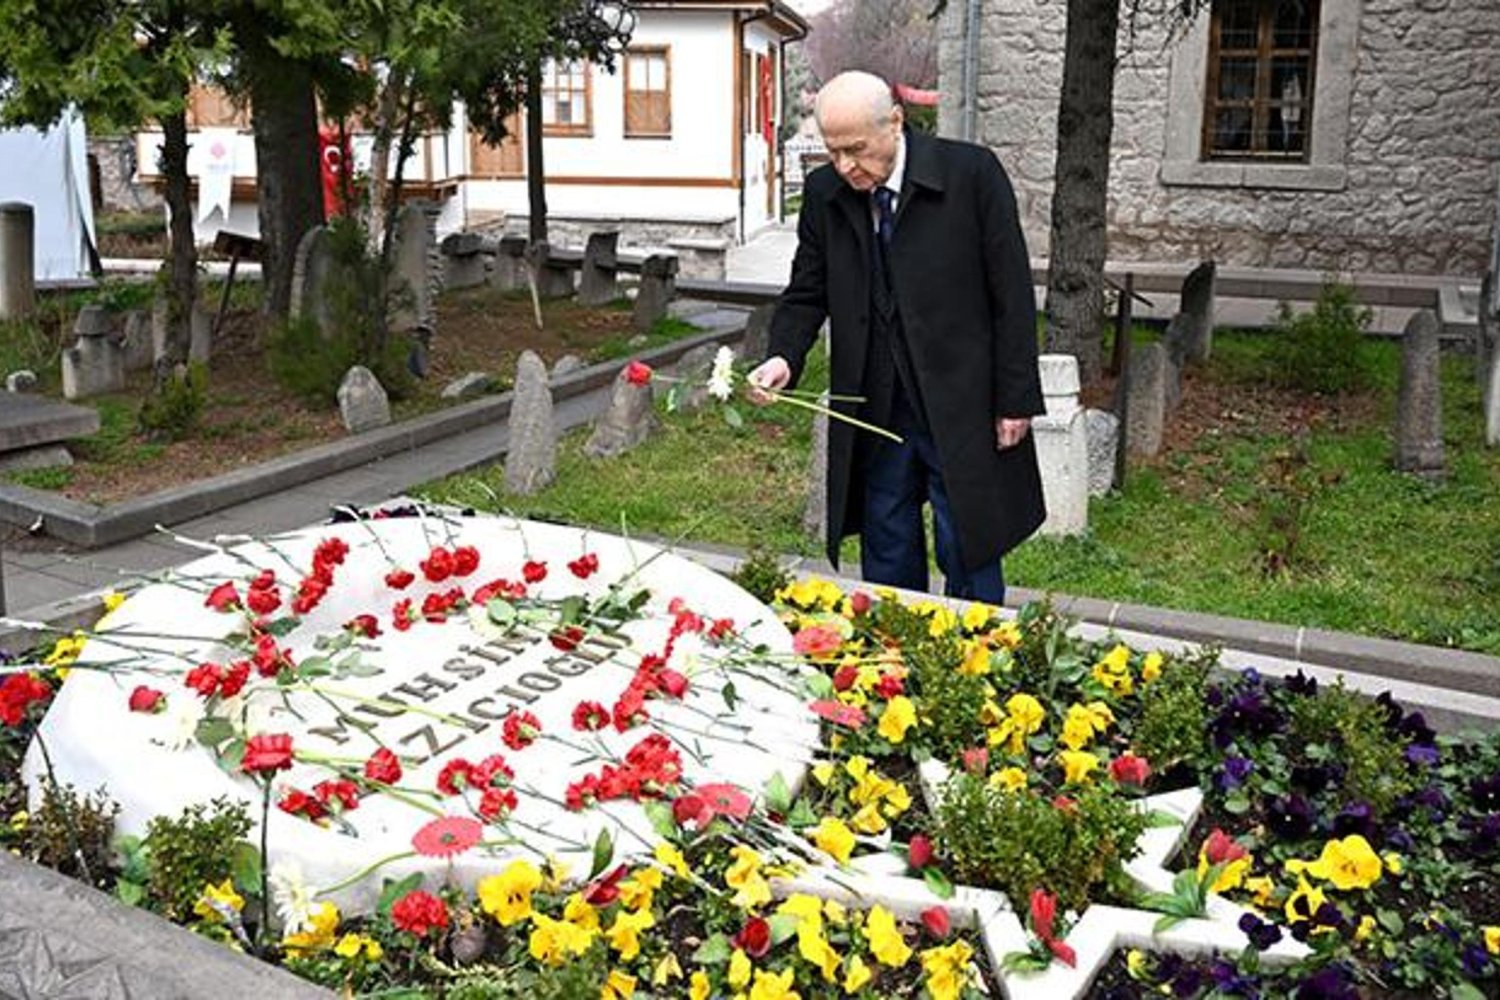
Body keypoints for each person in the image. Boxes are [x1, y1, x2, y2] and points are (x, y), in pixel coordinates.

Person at [747, 70, 1045, 604]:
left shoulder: (970, 174)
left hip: (960, 401)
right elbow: (807, 289)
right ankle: (893, 663)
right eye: (833, 151)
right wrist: (783, 357)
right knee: (886, 541)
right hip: (876, 406)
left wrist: (1015, 399)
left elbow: (1012, 294)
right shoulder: (824, 193)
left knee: (968, 542)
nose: (844, 166)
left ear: (895, 123)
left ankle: (976, 658)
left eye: (856, 150)